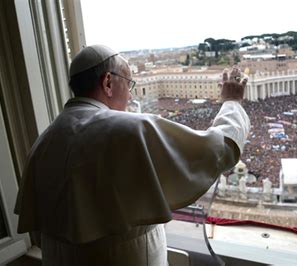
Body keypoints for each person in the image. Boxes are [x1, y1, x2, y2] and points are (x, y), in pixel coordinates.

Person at [14, 44, 250, 265]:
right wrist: (232, 103)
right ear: (108, 82)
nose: (131, 96)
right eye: (129, 83)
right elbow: (218, 149)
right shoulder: (130, 129)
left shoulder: (43, 141)